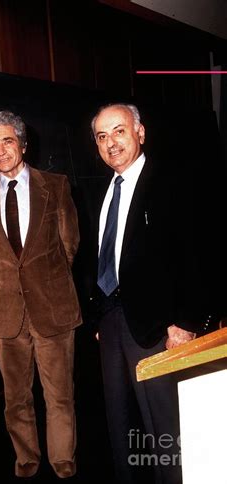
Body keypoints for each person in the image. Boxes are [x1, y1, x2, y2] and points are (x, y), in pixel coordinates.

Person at [85, 103, 205, 484]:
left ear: (140, 132)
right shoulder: (101, 189)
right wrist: (101, 315)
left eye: (118, 131)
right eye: (102, 136)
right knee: (120, 428)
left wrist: (185, 322)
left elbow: (197, 255)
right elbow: (104, 257)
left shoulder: (171, 181)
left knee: (163, 430)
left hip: (157, 326)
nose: (111, 142)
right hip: (112, 322)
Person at [0, 111, 82, 480]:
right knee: (15, 399)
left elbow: (69, 244)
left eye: (7, 142)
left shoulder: (57, 185)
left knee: (59, 395)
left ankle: (63, 462)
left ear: (23, 143)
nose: (0, 152)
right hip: (6, 312)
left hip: (54, 307)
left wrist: (45, 280)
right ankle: (26, 461)